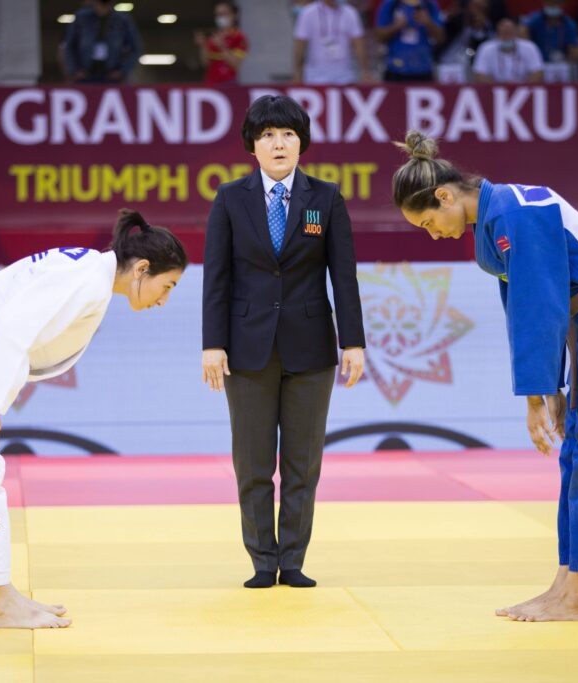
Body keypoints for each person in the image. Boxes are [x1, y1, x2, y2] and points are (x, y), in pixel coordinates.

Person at [391, 131, 578, 622]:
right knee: (577, 455)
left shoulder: (514, 214)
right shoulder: (499, 215)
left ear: (446, 195)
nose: (435, 234)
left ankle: (575, 600)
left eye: (431, 222)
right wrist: (548, 384)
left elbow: (540, 307)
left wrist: (539, 395)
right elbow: (524, 309)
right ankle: (563, 587)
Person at [0, 210, 187, 629]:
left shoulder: (90, 271)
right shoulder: (89, 280)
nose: (164, 299)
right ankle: (3, 604)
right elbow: (13, 328)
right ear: (143, 269)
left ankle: (4, 595)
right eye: (167, 287)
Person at [202, 95, 366, 589]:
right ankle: (261, 561)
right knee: (252, 465)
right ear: (253, 145)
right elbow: (217, 277)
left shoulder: (327, 197)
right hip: (246, 348)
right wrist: (213, 343)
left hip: (312, 348)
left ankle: (291, 560)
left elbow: (344, 274)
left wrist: (353, 341)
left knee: (302, 463)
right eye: (269, 134)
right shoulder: (230, 198)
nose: (279, 143)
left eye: (289, 134)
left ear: (302, 144)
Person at [293, 0, 372, 84]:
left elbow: (359, 45)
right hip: (315, 77)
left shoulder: (350, 13)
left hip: (345, 77)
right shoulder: (308, 13)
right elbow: (300, 45)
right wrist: (297, 73)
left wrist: (365, 71)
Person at [63, 0, 142, 84]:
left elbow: (135, 48)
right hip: (85, 74)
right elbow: (69, 46)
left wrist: (122, 71)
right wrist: (75, 70)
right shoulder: (81, 18)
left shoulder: (122, 20)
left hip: (112, 74)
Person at [373, 0, 444, 82]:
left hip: (424, 68)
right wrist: (396, 26)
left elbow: (440, 38)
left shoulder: (429, 4)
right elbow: (379, 37)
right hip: (395, 69)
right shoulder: (391, 4)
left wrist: (428, 23)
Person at [472, 18, 544, 83]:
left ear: (516, 33)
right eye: (504, 33)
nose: (507, 36)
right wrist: (499, 88)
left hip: (523, 88)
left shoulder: (529, 47)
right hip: (495, 89)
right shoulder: (486, 48)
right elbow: (479, 75)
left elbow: (538, 73)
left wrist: (523, 87)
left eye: (510, 33)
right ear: (497, 34)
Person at [195, 1, 248, 85]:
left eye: (224, 14)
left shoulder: (239, 37)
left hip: (229, 83)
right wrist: (203, 45)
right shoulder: (213, 35)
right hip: (210, 82)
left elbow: (235, 65)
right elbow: (205, 63)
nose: (221, 17)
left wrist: (222, 47)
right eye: (218, 14)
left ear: (234, 15)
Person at [522, 0, 578, 65]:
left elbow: (573, 53)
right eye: (550, 3)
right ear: (544, 2)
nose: (553, 6)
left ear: (563, 4)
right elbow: (522, 34)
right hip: (537, 64)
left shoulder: (569, 25)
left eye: (556, 2)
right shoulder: (535, 20)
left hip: (561, 64)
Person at [437, 0, 493, 67]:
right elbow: (444, 29)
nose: (476, 10)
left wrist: (480, 27)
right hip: (446, 60)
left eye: (480, 7)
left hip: (470, 63)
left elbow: (481, 41)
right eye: (475, 5)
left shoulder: (487, 24)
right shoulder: (457, 18)